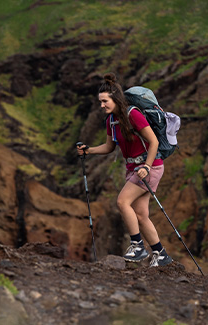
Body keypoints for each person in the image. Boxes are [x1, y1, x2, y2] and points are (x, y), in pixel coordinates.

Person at [76, 73, 173, 267]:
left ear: (115, 99)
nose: (102, 105)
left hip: (149, 167)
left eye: (105, 101)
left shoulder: (132, 114)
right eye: (100, 102)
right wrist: (89, 150)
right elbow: (109, 147)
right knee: (140, 214)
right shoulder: (111, 121)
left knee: (122, 201)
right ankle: (160, 254)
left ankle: (137, 245)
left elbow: (153, 141)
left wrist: (146, 165)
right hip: (133, 169)